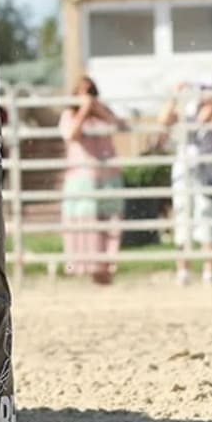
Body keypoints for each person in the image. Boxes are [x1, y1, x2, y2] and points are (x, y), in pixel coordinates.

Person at [160, 77, 212, 286]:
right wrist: (175, 95)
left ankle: (208, 272)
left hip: (208, 172)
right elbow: (163, 120)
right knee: (183, 218)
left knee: (207, 219)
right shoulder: (186, 110)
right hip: (184, 172)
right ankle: (183, 271)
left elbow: (208, 118)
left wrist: (211, 103)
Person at [59, 75, 127, 285]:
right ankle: (83, 269)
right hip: (82, 177)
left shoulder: (104, 114)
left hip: (108, 176)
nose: (87, 96)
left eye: (91, 92)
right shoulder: (69, 114)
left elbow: (122, 127)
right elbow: (71, 134)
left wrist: (97, 110)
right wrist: (83, 111)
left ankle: (106, 270)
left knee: (109, 222)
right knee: (84, 222)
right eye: (82, 92)